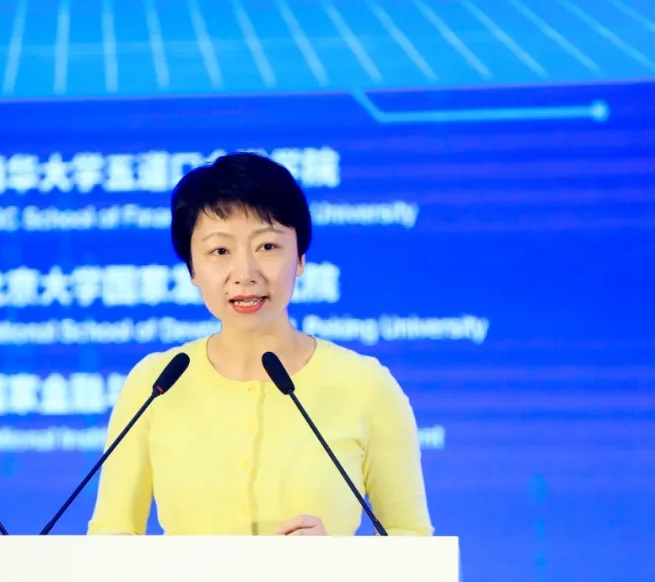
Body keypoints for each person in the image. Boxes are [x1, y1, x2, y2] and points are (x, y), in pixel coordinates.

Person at [87, 152, 433, 537]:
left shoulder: (365, 386)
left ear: (299, 258)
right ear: (193, 269)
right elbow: (111, 535)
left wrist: (338, 561)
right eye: (220, 251)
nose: (245, 274)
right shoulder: (156, 384)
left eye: (267, 246)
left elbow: (414, 542)